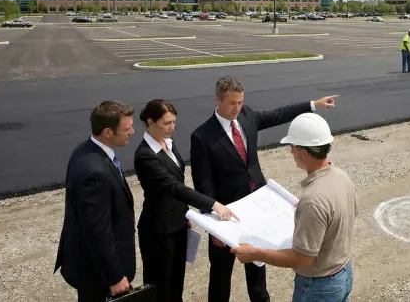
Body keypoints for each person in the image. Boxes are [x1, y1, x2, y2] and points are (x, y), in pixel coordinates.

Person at [190, 76, 339, 302]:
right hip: (226, 215)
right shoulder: (202, 136)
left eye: (240, 103)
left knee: (257, 271)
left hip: (256, 208)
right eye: (232, 103)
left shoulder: (247, 116)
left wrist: (313, 105)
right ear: (217, 100)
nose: (237, 108)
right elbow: (203, 183)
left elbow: (278, 114)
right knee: (220, 274)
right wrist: (212, 223)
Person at [232, 113, 358, 302]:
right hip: (343, 273)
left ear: (304, 152)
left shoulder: (313, 199)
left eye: (293, 146)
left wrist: (255, 254)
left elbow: (302, 259)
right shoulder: (342, 177)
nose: (291, 151)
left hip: (319, 287)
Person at [134, 99, 239, 302]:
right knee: (161, 286)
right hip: (159, 230)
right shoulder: (145, 156)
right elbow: (174, 187)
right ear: (150, 122)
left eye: (173, 122)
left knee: (176, 283)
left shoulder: (168, 144)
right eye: (166, 123)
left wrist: (185, 214)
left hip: (178, 224)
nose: (171, 127)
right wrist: (213, 204)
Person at [55, 100, 137, 302]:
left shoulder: (86, 149)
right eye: (127, 128)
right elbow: (97, 230)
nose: (132, 132)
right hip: (97, 274)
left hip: (94, 267)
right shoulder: (94, 172)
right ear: (108, 132)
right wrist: (115, 276)